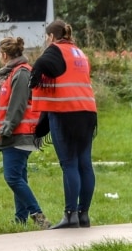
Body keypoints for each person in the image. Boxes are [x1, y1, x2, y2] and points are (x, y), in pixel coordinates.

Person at [30, 20, 97, 229]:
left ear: (51, 36)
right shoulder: (79, 53)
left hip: (65, 113)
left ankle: (70, 215)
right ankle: (83, 213)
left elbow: (40, 64)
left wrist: (33, 81)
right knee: (84, 163)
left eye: (45, 38)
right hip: (87, 111)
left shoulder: (55, 50)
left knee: (69, 164)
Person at [0, 37, 50, 228]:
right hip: (19, 132)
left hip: (19, 133)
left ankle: (37, 214)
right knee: (19, 176)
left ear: (4, 54)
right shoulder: (12, 72)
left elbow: (18, 105)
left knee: (12, 177)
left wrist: (4, 129)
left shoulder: (21, 73)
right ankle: (20, 219)